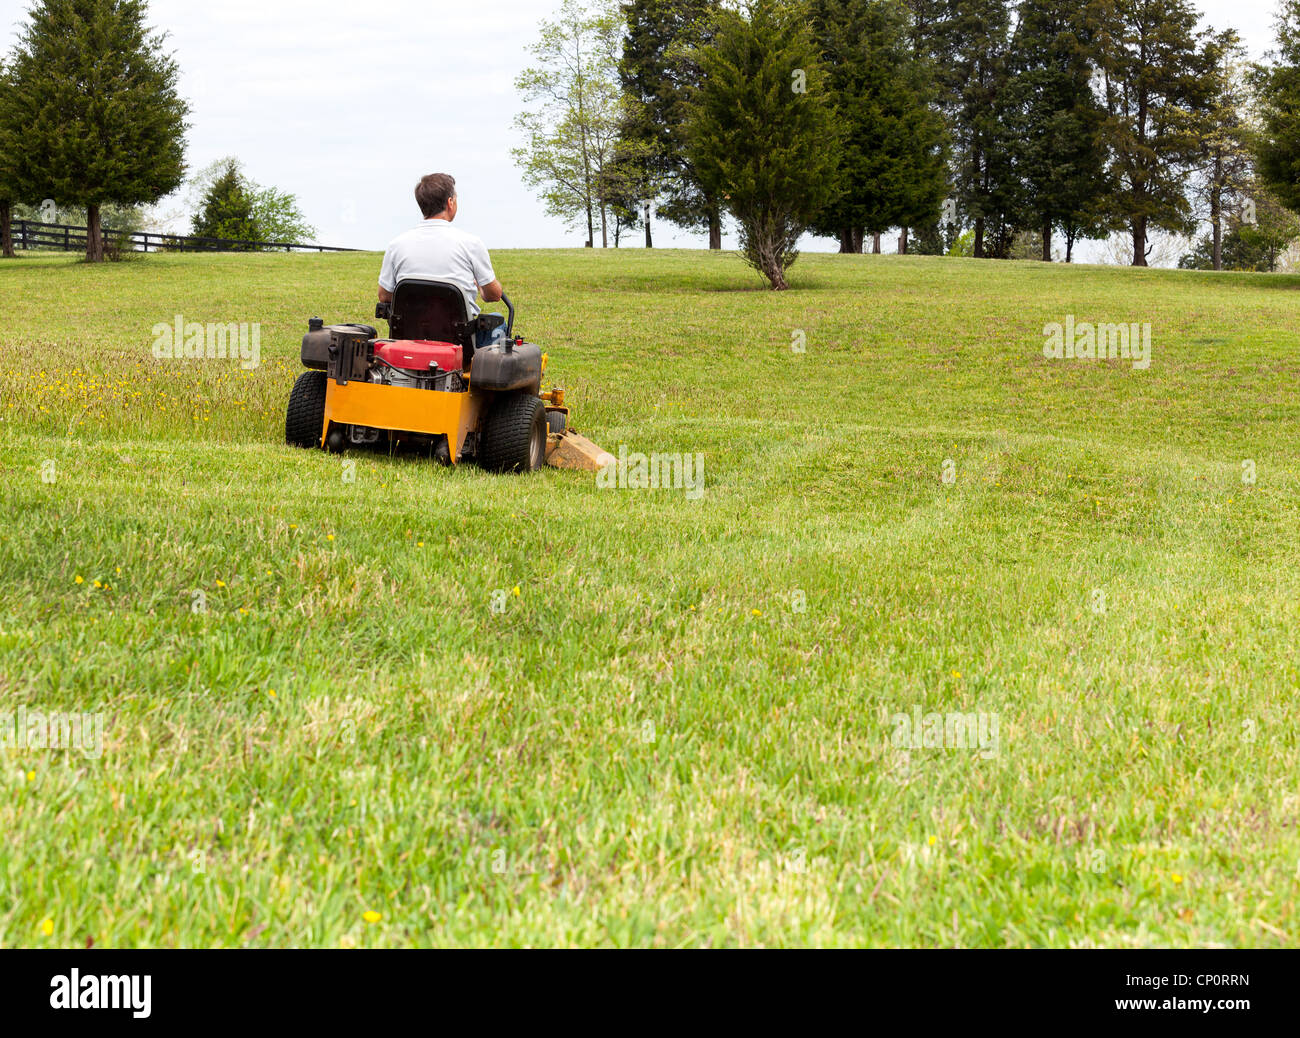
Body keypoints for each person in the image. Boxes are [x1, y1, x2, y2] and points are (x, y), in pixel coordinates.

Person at [377, 173, 507, 346]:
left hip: (409, 343)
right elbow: (494, 295)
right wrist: (481, 290)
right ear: (450, 202)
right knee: (498, 319)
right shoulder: (471, 243)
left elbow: (384, 296)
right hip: (461, 345)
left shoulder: (396, 245)